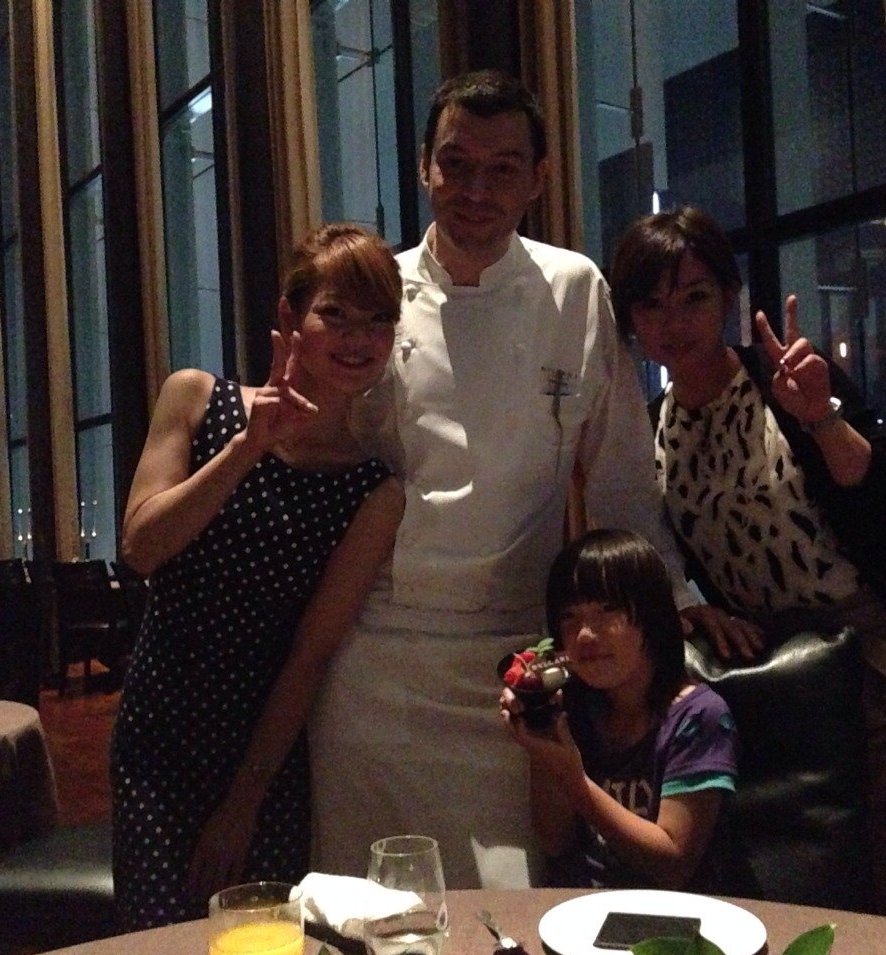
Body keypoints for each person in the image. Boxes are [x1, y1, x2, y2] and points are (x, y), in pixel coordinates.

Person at [308, 70, 756, 890]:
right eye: (456, 165)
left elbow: (621, 477)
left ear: (539, 179)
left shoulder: (575, 289)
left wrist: (674, 597)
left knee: (508, 901)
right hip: (380, 662)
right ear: (425, 166)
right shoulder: (379, 296)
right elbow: (323, 462)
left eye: (502, 169)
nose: (476, 190)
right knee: (370, 908)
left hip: (516, 663)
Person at [608, 205, 886, 921]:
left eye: (695, 296)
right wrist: (696, 608)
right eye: (652, 305)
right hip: (790, 684)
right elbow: (659, 552)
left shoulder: (788, 382)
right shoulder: (649, 431)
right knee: (839, 902)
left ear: (728, 297)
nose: (674, 322)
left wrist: (821, 417)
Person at [110, 224, 405, 930]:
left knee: (260, 938)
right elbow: (141, 548)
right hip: (158, 734)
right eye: (335, 313)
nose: (358, 338)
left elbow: (311, 654)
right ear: (289, 318)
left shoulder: (373, 487)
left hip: (265, 757)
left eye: (378, 320)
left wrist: (244, 803)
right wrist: (248, 448)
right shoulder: (195, 398)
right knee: (157, 938)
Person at [500, 529, 751, 893]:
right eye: (569, 616)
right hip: (579, 908)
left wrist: (574, 780)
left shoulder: (698, 717)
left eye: (607, 610)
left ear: (651, 617)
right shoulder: (576, 707)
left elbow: (673, 865)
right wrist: (541, 737)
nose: (584, 635)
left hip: (672, 917)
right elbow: (555, 841)